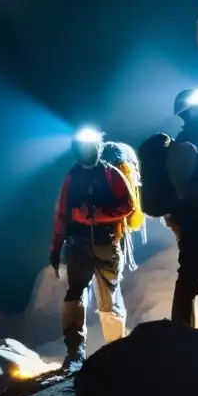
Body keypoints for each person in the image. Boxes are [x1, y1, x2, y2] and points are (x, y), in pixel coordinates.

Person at [49, 128, 135, 372]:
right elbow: (62, 214)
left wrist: (96, 215)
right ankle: (75, 352)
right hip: (80, 245)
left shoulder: (111, 174)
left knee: (109, 297)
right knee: (76, 294)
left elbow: (128, 206)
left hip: (106, 243)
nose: (89, 150)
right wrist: (56, 247)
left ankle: (116, 352)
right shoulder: (73, 177)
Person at [165, 88, 198, 327]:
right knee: (190, 278)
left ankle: (185, 333)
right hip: (190, 221)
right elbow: (185, 191)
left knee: (193, 279)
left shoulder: (194, 145)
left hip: (194, 220)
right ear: (194, 114)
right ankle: (182, 335)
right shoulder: (185, 148)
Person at [81, 141, 147, 335]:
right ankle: (115, 346)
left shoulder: (83, 174)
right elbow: (129, 208)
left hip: (88, 241)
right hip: (108, 239)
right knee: (109, 297)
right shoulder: (115, 172)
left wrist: (87, 215)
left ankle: (93, 351)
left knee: (91, 296)